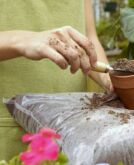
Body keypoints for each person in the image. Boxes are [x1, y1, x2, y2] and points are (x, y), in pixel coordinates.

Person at [0, 0, 112, 160]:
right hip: (9, 129)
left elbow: (88, 36)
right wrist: (21, 40)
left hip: (74, 130)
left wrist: (110, 79)